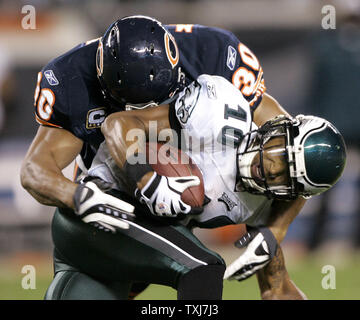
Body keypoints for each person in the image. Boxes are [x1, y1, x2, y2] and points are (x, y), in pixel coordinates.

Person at [19, 15, 314, 299]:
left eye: (158, 102)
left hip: (180, 202)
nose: (148, 112)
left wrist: (275, 260)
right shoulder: (73, 79)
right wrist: (80, 197)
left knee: (185, 270)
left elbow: (289, 156)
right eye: (135, 106)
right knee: (188, 270)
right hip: (113, 199)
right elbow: (36, 170)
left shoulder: (211, 56)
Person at [43, 73, 346, 300]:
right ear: (276, 127)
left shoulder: (260, 204)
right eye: (279, 150)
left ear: (289, 193)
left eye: (284, 176)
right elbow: (118, 124)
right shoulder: (220, 113)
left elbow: (277, 289)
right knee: (203, 269)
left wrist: (281, 284)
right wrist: (146, 179)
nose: (270, 166)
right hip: (95, 208)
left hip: (117, 251)